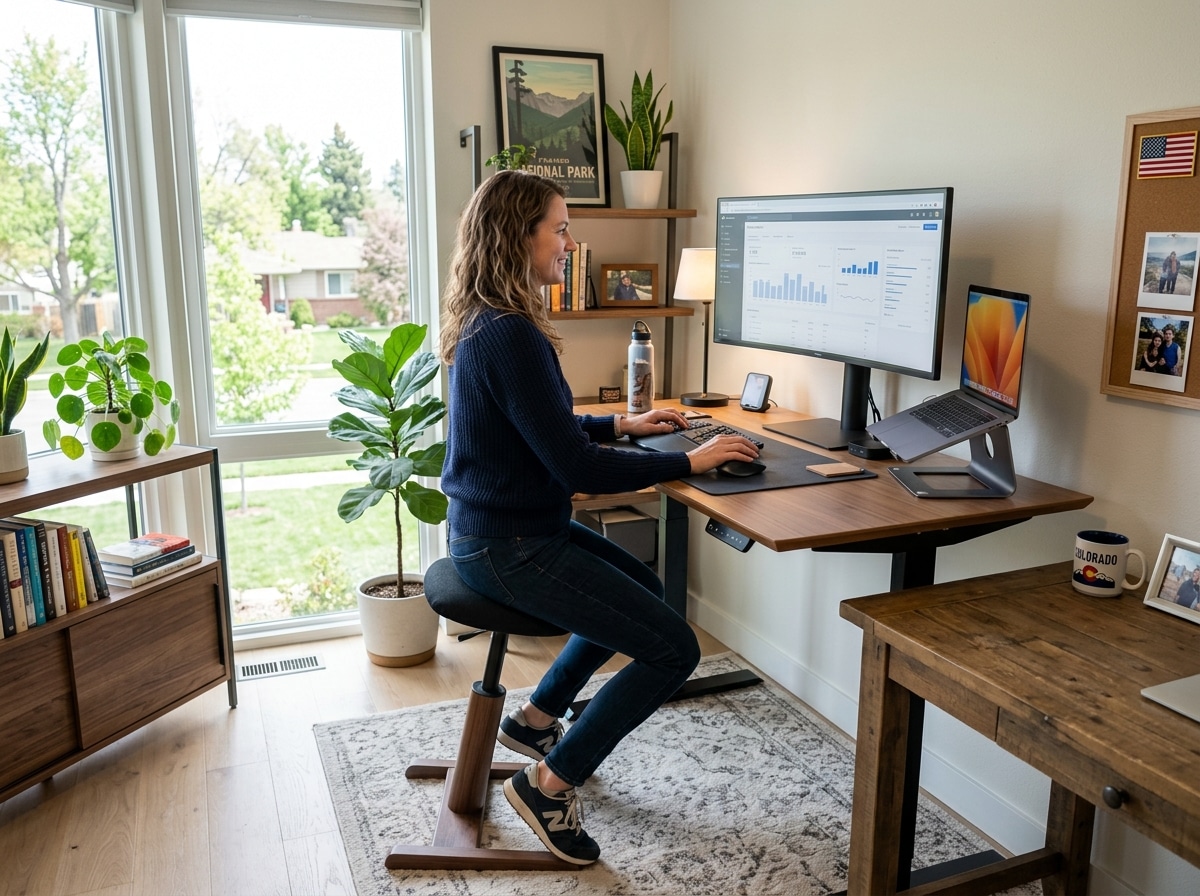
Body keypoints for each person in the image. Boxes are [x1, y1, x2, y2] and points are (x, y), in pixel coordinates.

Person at [438, 170, 760, 865]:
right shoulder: (511, 334)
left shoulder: (490, 322)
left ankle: (535, 722)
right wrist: (690, 463)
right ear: (518, 235)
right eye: (559, 227)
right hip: (509, 546)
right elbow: (576, 470)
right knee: (674, 648)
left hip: (503, 533)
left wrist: (622, 421)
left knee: (645, 595)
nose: (569, 241)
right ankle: (549, 785)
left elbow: (542, 427)